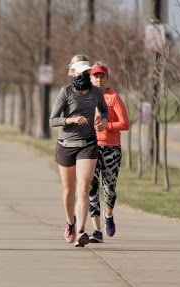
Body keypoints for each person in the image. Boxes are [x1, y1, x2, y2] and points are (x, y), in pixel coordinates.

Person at [49, 59, 109, 247]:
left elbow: (105, 112)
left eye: (87, 73)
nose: (85, 76)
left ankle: (81, 232)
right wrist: (71, 120)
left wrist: (103, 122)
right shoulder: (65, 92)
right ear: (75, 74)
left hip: (88, 144)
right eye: (82, 73)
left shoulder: (96, 92)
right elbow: (53, 120)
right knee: (68, 190)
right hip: (66, 144)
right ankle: (70, 223)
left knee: (83, 188)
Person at [87, 62, 129, 243]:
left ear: (106, 79)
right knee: (92, 188)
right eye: (95, 76)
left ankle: (108, 214)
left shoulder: (113, 98)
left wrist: (107, 125)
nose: (98, 79)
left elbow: (125, 124)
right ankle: (97, 231)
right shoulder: (86, 97)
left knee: (109, 189)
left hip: (111, 149)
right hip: (91, 147)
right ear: (90, 78)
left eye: (102, 76)